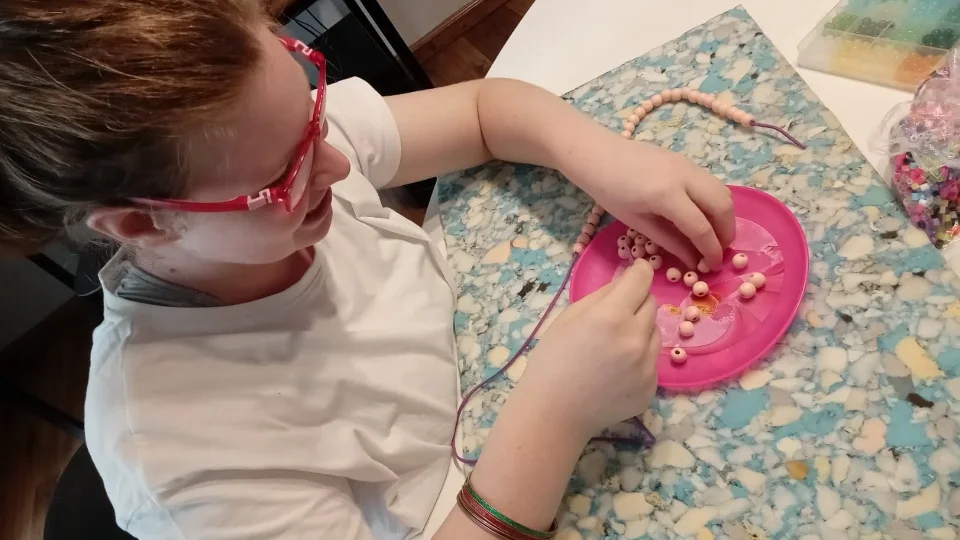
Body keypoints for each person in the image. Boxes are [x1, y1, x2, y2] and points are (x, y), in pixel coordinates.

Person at [0, 1, 734, 538]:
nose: (341, 164)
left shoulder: (282, 154)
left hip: (498, 377)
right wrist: (553, 416)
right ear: (139, 224)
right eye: (288, 172)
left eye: (313, 112)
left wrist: (603, 157)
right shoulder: (180, 462)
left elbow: (481, 110)